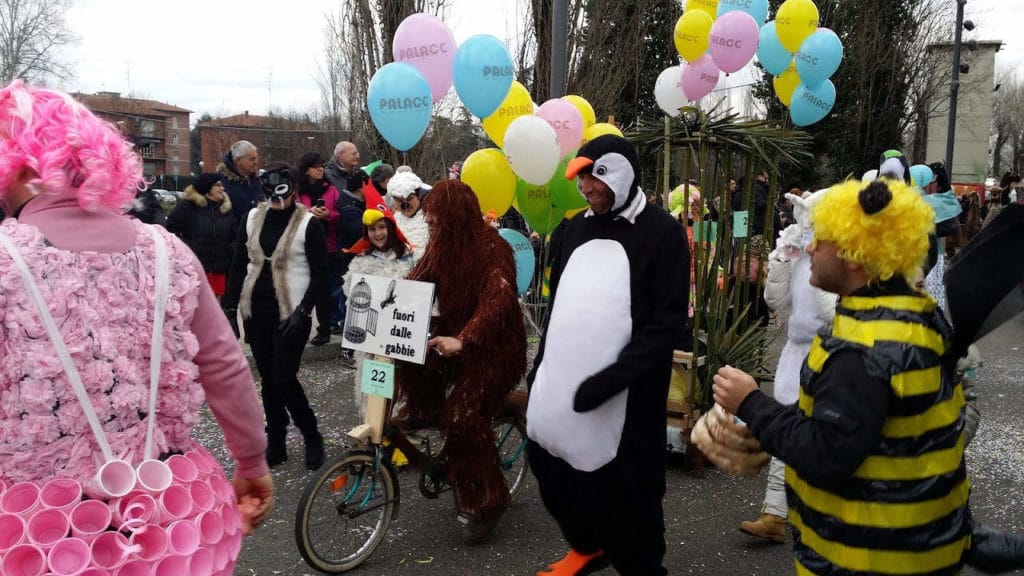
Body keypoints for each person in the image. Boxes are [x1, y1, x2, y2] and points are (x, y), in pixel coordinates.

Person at [0, 80, 273, 572]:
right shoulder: (166, 252)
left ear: (15, 167)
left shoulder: (4, 261)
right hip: (164, 512)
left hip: (38, 528)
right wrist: (251, 461)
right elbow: (224, 364)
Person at [711, 178, 975, 576]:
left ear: (853, 253)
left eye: (824, 238)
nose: (812, 247)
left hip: (862, 559)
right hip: (913, 549)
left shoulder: (861, 353)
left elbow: (825, 454)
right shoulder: (917, 318)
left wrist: (750, 402)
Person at [526, 135, 689, 576]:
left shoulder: (662, 233)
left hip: (628, 398)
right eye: (581, 180)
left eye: (593, 178)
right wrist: (540, 368)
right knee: (548, 465)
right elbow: (559, 304)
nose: (586, 188)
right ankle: (586, 547)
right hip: (562, 392)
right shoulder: (573, 229)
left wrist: (613, 379)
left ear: (620, 173)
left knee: (627, 494)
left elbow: (667, 324)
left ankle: (643, 569)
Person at [394, 179, 527, 545]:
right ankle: (428, 408)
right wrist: (382, 318)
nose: (431, 221)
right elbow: (415, 285)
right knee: (412, 355)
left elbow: (498, 301)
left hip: (495, 349)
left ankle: (489, 500)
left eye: (438, 217)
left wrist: (464, 339)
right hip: (455, 337)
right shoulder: (440, 247)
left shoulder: (492, 247)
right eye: (430, 215)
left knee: (462, 418)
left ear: (456, 217)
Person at [739, 189, 837, 543]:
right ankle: (775, 514)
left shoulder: (846, 254)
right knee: (787, 429)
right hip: (797, 355)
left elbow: (838, 312)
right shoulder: (799, 250)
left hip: (832, 356)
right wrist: (780, 260)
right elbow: (775, 301)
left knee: (824, 436)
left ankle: (816, 514)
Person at [223, 162, 328, 471]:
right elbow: (239, 263)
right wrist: (230, 309)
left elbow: (321, 273)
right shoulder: (251, 218)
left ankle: (311, 434)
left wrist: (305, 310)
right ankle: (277, 440)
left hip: (291, 312)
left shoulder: (309, 224)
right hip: (256, 310)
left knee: (284, 376)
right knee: (268, 379)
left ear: (293, 189)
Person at [342, 183, 415, 418]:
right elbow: (349, 296)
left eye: (382, 227)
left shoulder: (410, 259)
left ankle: (399, 437)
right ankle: (373, 430)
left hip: (401, 339)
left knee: (402, 390)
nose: (378, 234)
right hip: (372, 341)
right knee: (372, 388)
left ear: (390, 228)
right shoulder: (360, 263)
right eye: (372, 230)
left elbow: (420, 297)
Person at [294, 151, 341, 346]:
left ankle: (324, 329)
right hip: (302, 246)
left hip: (326, 245)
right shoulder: (298, 191)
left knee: (323, 289)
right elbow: (292, 213)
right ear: (306, 170)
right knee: (302, 288)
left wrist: (328, 215)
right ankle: (299, 325)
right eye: (316, 166)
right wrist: (308, 212)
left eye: (322, 165)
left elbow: (340, 215)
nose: (320, 169)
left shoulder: (331, 190)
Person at [166, 173, 237, 299]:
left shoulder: (225, 210)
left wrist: (228, 252)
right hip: (193, 270)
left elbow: (234, 236)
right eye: (218, 185)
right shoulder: (187, 207)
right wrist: (186, 249)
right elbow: (170, 232)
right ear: (206, 188)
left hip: (218, 271)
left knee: (215, 310)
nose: (222, 188)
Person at [386, 169, 431, 260]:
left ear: (418, 196)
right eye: (399, 200)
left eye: (409, 198)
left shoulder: (430, 219)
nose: (405, 205)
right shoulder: (394, 221)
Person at [218, 140, 263, 221]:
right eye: (252, 159)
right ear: (238, 161)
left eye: (256, 158)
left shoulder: (257, 181)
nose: (256, 162)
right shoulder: (220, 183)